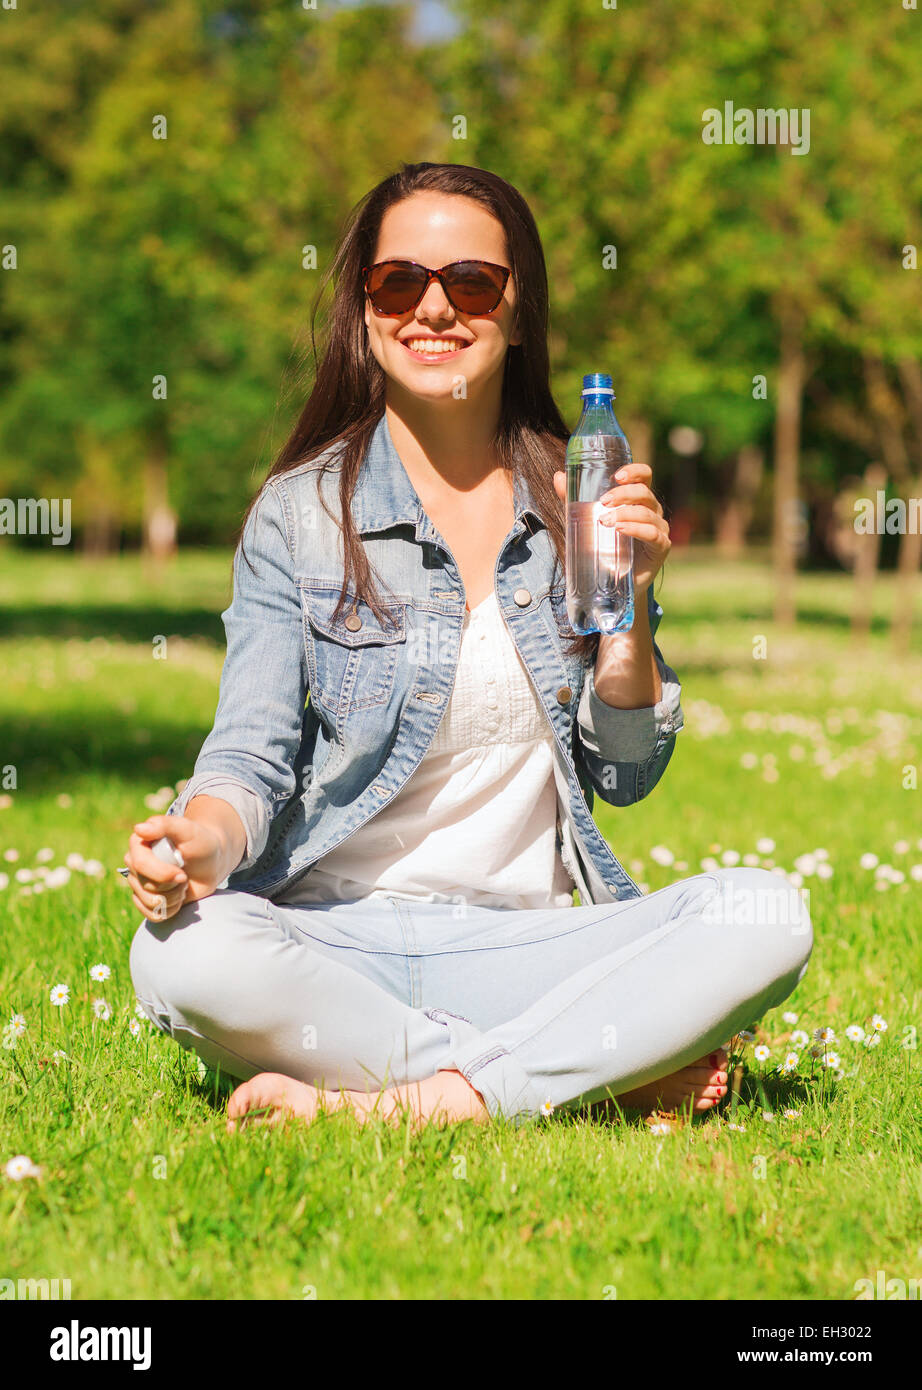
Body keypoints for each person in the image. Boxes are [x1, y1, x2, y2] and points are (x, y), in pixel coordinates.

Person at [127, 162, 812, 1133]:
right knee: (178, 953)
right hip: (335, 937)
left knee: (768, 912)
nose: (434, 308)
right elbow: (250, 752)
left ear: (518, 310)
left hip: (529, 942)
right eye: (399, 281)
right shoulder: (299, 514)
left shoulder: (575, 502)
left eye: (472, 282)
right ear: (364, 310)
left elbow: (622, 772)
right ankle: (575, 1070)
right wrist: (199, 838)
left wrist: (634, 606)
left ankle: (419, 1101)